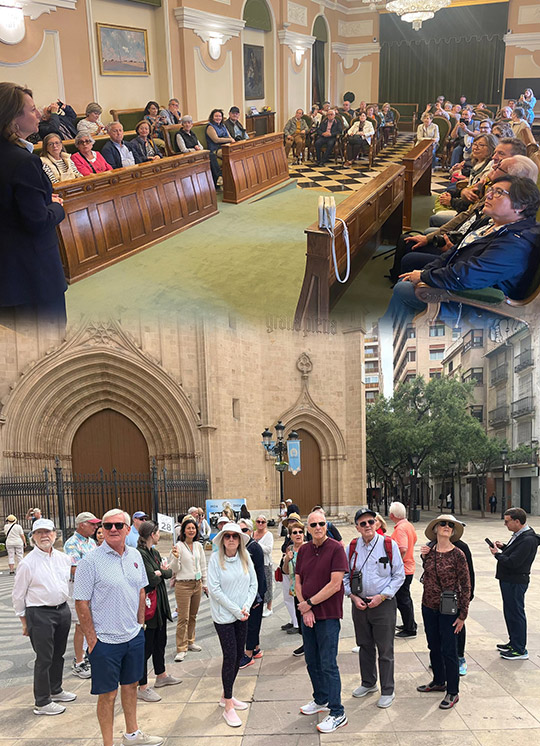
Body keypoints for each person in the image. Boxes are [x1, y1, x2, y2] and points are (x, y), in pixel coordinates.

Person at [381, 175, 540, 329]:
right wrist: (427, 271)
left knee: (404, 290)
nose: (488, 195)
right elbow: (455, 251)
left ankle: (388, 337)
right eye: (490, 190)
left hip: (481, 305)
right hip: (463, 285)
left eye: (498, 193)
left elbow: (470, 275)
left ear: (520, 206)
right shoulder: (492, 222)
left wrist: (425, 277)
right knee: (410, 280)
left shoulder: (515, 244)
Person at [74, 509, 163, 746]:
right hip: (105, 641)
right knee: (108, 695)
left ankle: (132, 734)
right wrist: (92, 640)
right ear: (101, 529)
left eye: (118, 525)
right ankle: (108, 743)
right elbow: (81, 602)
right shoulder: (90, 562)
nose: (113, 529)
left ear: (127, 529)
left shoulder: (135, 555)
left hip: (133, 636)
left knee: (131, 685)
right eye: (107, 525)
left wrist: (140, 624)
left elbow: (142, 589)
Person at [0, 83, 67, 323]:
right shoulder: (24, 162)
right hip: (32, 275)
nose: (39, 114)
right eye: (31, 110)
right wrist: (57, 206)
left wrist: (39, 200)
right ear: (12, 119)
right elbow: (37, 221)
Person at [12, 518, 76, 715]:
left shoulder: (63, 559)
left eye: (47, 532)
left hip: (62, 610)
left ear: (55, 534)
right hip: (39, 613)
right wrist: (24, 622)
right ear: (33, 537)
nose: (44, 536)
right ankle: (42, 701)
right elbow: (18, 595)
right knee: (44, 658)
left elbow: (68, 584)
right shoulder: (27, 563)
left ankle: (55, 689)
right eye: (39, 533)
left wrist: (71, 611)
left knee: (59, 654)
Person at [344, 508, 404, 709]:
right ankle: (368, 683)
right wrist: (352, 596)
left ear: (377, 523)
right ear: (357, 527)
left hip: (383, 604)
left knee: (385, 649)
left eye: (371, 521)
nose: (367, 526)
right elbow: (344, 576)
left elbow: (399, 575)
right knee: (364, 645)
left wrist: (382, 596)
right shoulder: (352, 547)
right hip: (359, 604)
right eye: (363, 523)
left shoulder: (388, 544)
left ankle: (388, 689)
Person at [295, 509, 349, 734]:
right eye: (313, 524)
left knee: (328, 663)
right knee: (312, 660)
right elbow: (298, 581)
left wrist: (309, 604)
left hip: (327, 616)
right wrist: (304, 607)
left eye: (321, 524)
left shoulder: (336, 549)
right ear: (308, 528)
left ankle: (337, 712)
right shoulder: (304, 550)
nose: (318, 527)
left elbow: (335, 584)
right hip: (308, 615)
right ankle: (321, 699)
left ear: (327, 526)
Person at [417, 515, 471, 710]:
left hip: (449, 609)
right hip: (428, 606)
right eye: (443, 524)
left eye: (450, 525)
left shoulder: (458, 554)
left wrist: (463, 614)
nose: (447, 527)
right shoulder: (429, 552)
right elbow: (428, 574)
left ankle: (453, 691)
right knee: (433, 645)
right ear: (436, 529)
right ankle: (439, 681)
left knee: (449, 650)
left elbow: (466, 585)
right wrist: (423, 557)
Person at [207, 521, 257, 727]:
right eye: (227, 536)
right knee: (229, 657)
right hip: (224, 617)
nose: (231, 539)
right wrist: (236, 610)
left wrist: (245, 606)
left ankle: (226, 694)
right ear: (222, 539)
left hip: (242, 615)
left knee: (239, 656)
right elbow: (215, 590)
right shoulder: (214, 560)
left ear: (239, 540)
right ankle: (228, 705)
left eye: (234, 536)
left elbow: (253, 584)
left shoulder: (246, 559)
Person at [136, 521, 181, 702]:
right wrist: (160, 573)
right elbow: (149, 579)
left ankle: (161, 675)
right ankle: (142, 686)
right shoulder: (140, 554)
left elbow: (168, 572)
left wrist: (160, 572)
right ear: (151, 534)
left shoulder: (153, 552)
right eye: (157, 532)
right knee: (146, 648)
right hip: (148, 607)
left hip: (160, 605)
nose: (159, 534)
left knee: (160, 642)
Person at [488, 507, 540, 660]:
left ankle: (519, 649)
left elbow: (514, 562)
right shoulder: (519, 535)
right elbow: (515, 554)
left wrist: (497, 554)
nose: (506, 525)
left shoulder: (528, 539)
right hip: (509, 580)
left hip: (516, 581)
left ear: (517, 521)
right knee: (510, 612)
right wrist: (505, 547)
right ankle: (514, 642)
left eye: (507, 522)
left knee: (516, 613)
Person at [63, 511, 100, 679]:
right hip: (80, 589)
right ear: (81, 524)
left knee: (92, 623)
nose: (95, 526)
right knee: (80, 624)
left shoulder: (91, 542)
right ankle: (79, 661)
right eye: (92, 524)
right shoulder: (72, 544)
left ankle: (89, 653)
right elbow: (73, 568)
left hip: (94, 589)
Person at [169, 515, 207, 662]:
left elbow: (202, 565)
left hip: (196, 584)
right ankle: (181, 647)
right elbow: (174, 569)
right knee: (183, 618)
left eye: (193, 528)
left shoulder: (198, 546)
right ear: (183, 530)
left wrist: (205, 584)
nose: (191, 530)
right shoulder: (178, 546)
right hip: (183, 584)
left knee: (193, 616)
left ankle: (190, 641)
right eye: (188, 528)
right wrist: (176, 557)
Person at [238, 518, 266, 667]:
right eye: (239, 531)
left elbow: (260, 573)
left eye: (244, 530)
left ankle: (248, 654)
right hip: (248, 592)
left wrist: (258, 596)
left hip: (255, 593)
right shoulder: (242, 547)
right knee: (252, 622)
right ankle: (256, 648)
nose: (241, 533)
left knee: (252, 624)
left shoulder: (254, 548)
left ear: (250, 531)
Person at [388, 502, 418, 638]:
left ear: (392, 515)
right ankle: (410, 623)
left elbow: (403, 548)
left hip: (404, 569)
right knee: (405, 598)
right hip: (409, 567)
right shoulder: (408, 525)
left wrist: (396, 564)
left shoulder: (400, 529)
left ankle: (410, 628)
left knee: (403, 599)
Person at [282, 517, 306, 655]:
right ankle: (305, 644)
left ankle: (311, 646)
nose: (298, 534)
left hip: (308, 590)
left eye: (300, 532)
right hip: (296, 590)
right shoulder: (290, 549)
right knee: (300, 619)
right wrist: (287, 559)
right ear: (290, 536)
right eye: (295, 532)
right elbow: (285, 570)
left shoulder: (309, 547)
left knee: (309, 619)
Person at [206, 108, 234, 188]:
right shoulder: (210, 127)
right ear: (212, 117)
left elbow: (230, 136)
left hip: (227, 146)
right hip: (216, 149)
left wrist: (231, 140)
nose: (218, 118)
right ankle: (224, 179)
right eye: (216, 116)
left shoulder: (223, 125)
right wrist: (229, 139)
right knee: (229, 155)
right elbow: (216, 140)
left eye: (220, 116)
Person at [253, 514, 274, 617]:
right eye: (258, 521)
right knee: (258, 585)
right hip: (255, 563)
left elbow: (268, 549)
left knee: (268, 585)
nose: (260, 524)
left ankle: (269, 607)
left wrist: (256, 544)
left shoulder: (268, 535)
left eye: (263, 522)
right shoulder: (253, 533)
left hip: (265, 563)